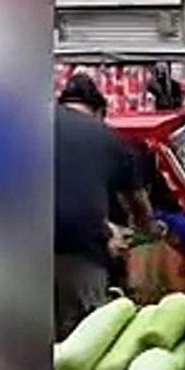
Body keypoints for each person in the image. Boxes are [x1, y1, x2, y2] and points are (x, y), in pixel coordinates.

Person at [54, 73, 157, 339]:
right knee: (80, 338)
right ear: (100, 111)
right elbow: (139, 206)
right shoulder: (108, 139)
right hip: (77, 251)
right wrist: (146, 231)